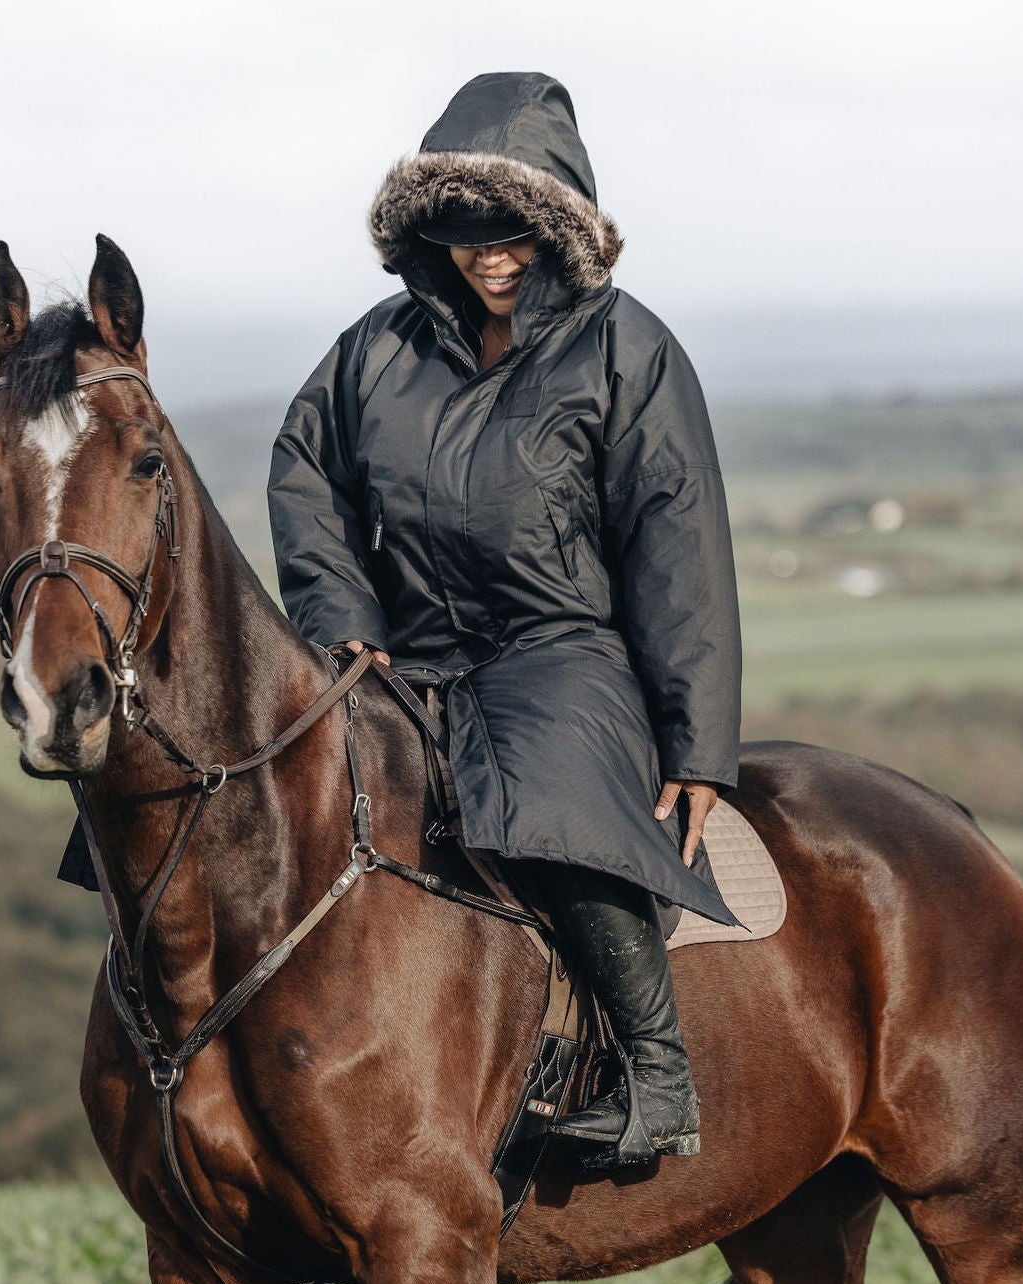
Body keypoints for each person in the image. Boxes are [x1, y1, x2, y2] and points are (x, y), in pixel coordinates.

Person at [270, 71, 742, 1170]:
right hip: (398, 653)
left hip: (557, 648)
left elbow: (680, 551)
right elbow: (306, 480)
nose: (488, 257)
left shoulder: (630, 350)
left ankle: (658, 1078)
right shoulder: (369, 352)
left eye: (510, 233)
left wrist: (696, 745)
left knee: (555, 797)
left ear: (556, 226)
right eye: (462, 233)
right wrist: (342, 620)